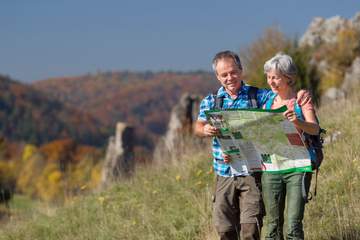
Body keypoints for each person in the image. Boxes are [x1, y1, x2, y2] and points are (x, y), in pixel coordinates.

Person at [194, 50, 271, 240]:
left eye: (233, 72)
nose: (230, 78)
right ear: (218, 77)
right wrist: (205, 131)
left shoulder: (258, 96)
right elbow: (198, 126)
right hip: (224, 172)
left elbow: (279, 107)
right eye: (224, 74)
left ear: (241, 70)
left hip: (253, 172)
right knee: (225, 230)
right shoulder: (211, 101)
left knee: (250, 230)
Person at [261, 53, 320, 240]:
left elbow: (314, 128)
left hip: (298, 166)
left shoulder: (301, 99)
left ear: (288, 78)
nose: (271, 82)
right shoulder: (267, 104)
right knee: (271, 227)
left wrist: (297, 122)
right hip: (272, 168)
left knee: (293, 227)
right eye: (269, 77)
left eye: (276, 77)